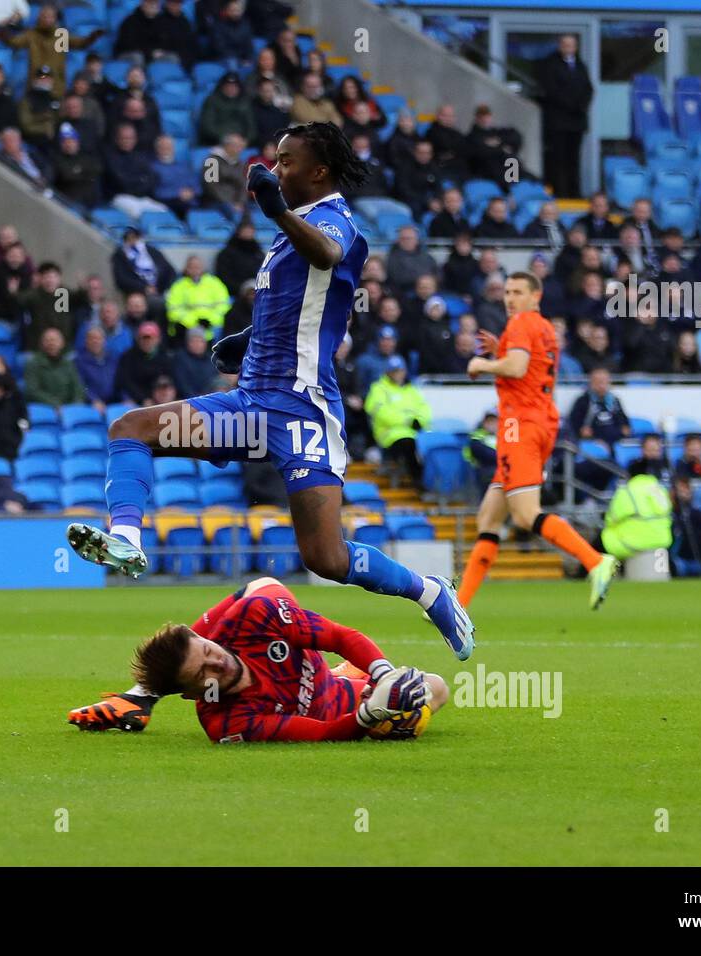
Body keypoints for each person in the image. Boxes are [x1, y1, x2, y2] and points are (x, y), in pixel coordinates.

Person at [66, 122, 474, 661]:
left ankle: (430, 593)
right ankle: (128, 541)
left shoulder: (335, 221)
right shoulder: (289, 232)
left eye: (287, 161)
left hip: (304, 410)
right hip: (251, 407)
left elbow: (327, 257)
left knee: (325, 558)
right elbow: (301, 310)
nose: (277, 170)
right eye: (276, 162)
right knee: (132, 428)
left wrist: (275, 208)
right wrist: (248, 340)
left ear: (319, 171)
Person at [67, 576, 447, 739]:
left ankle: (143, 695)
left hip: (322, 671)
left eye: (208, 650)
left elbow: (339, 635)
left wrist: (382, 672)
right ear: (192, 695)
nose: (218, 662)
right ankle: (146, 692)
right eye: (204, 674)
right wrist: (369, 713)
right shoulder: (226, 721)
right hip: (337, 703)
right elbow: (324, 734)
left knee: (262, 588)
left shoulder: (251, 621)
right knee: (432, 692)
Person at [457, 271, 619, 610]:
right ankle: (458, 605)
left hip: (521, 424)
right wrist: (501, 349)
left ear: (536, 296)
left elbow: (516, 368)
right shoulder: (543, 328)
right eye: (507, 292)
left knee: (526, 514)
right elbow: (527, 369)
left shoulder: (520, 323)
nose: (510, 298)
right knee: (488, 518)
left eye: (518, 292)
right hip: (538, 421)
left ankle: (595, 561)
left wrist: (482, 364)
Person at [534, 34, 592, 198]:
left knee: (574, 159)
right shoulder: (550, 64)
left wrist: (581, 106)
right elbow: (551, 91)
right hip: (558, 121)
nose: (569, 48)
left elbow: (588, 89)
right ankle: (560, 192)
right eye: (565, 45)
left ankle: (575, 192)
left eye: (571, 45)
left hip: (577, 122)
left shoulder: (580, 65)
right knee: (558, 158)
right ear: (560, 46)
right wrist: (571, 105)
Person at [364, 355, 430, 489]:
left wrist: (419, 421)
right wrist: (407, 421)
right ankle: (419, 482)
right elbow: (380, 412)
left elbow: (424, 408)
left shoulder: (411, 389)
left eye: (400, 370)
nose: (398, 374)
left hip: (413, 432)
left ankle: (433, 482)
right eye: (394, 371)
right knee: (408, 444)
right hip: (390, 434)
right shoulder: (379, 388)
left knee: (432, 446)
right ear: (387, 372)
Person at [566, 367, 631, 450]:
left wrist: (625, 429)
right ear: (591, 383)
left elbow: (625, 423)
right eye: (598, 382)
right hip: (593, 442)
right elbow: (574, 424)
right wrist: (582, 431)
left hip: (615, 441)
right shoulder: (583, 401)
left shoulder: (614, 400)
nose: (601, 385)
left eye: (604, 381)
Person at [670, 475, 701, 574]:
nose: (683, 492)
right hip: (677, 556)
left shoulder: (696, 513)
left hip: (698, 554)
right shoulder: (669, 514)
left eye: (686, 488)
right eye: (680, 489)